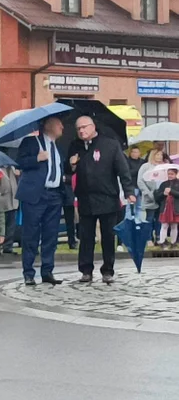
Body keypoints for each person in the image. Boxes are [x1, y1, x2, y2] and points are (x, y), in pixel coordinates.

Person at [67, 115, 134, 284]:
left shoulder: (110, 144)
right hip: (85, 198)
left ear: (93, 126)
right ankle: (86, 270)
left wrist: (129, 191)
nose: (82, 131)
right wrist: (72, 165)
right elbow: (67, 170)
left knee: (108, 236)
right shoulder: (75, 146)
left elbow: (122, 170)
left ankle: (108, 270)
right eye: (79, 128)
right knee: (86, 237)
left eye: (84, 127)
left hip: (107, 198)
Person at [15, 116, 66, 287]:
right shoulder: (31, 142)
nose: (62, 127)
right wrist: (36, 159)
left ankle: (47, 271)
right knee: (31, 235)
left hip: (54, 196)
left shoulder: (57, 147)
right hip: (35, 195)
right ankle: (28, 273)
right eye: (59, 123)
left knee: (51, 235)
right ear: (49, 125)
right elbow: (19, 162)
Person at [138, 149, 166, 239]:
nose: (159, 157)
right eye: (157, 155)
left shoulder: (164, 167)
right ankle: (149, 237)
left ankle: (159, 236)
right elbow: (140, 181)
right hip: (150, 196)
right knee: (149, 218)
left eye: (161, 155)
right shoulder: (145, 166)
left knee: (160, 218)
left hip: (161, 196)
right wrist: (148, 193)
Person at [0, 166, 19, 254]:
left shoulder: (12, 168)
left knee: (11, 227)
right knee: (1, 226)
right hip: (2, 203)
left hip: (12, 202)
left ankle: (8, 247)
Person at [155, 168, 179, 246]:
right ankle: (162, 241)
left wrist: (171, 191)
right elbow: (157, 197)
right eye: (169, 174)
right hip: (165, 208)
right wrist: (163, 194)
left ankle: (173, 242)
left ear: (176, 174)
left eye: (172, 174)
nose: (170, 176)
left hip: (175, 208)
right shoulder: (164, 184)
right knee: (164, 225)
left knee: (174, 225)